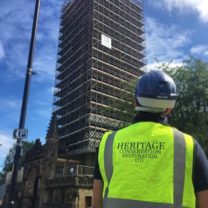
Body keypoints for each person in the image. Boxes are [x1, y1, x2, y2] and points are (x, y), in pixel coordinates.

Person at [92, 70, 208, 208]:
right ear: (169, 108)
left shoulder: (108, 143)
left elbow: (96, 202)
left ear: (135, 101)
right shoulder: (189, 145)